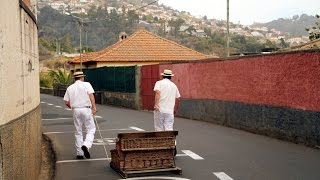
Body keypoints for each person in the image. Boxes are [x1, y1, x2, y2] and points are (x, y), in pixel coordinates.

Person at [63, 71, 97, 159]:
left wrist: (73, 107)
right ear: (82, 77)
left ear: (74, 78)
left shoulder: (70, 87)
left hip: (76, 109)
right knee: (91, 129)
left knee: (78, 131)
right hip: (86, 109)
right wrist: (94, 108)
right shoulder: (87, 84)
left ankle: (80, 153)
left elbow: (66, 102)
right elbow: (91, 96)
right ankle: (86, 145)